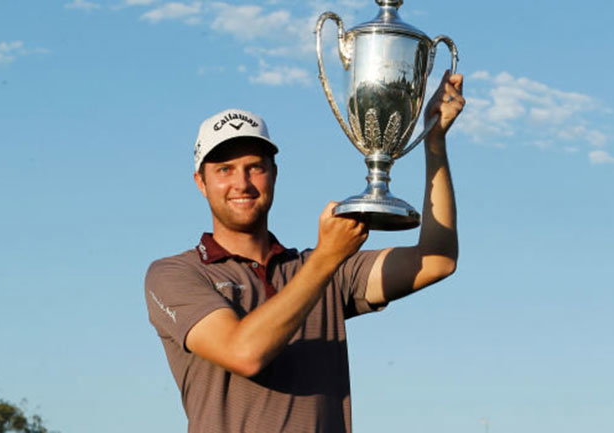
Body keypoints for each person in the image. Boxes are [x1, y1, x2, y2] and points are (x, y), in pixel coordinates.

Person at [145, 72, 465, 433]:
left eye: (255, 167)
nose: (242, 183)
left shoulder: (324, 270)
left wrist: (434, 141)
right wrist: (327, 258)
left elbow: (437, 260)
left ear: (274, 174)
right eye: (224, 170)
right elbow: (243, 353)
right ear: (200, 183)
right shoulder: (176, 273)